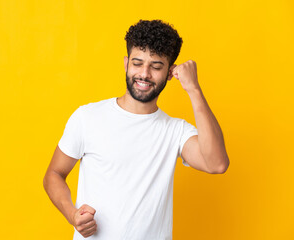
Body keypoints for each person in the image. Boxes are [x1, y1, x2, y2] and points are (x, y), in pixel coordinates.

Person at [43, 19, 230, 240]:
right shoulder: (87, 117)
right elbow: (53, 174)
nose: (144, 74)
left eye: (156, 66)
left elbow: (217, 163)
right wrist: (72, 214)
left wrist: (193, 88)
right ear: (126, 63)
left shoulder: (175, 131)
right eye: (137, 63)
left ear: (171, 73)